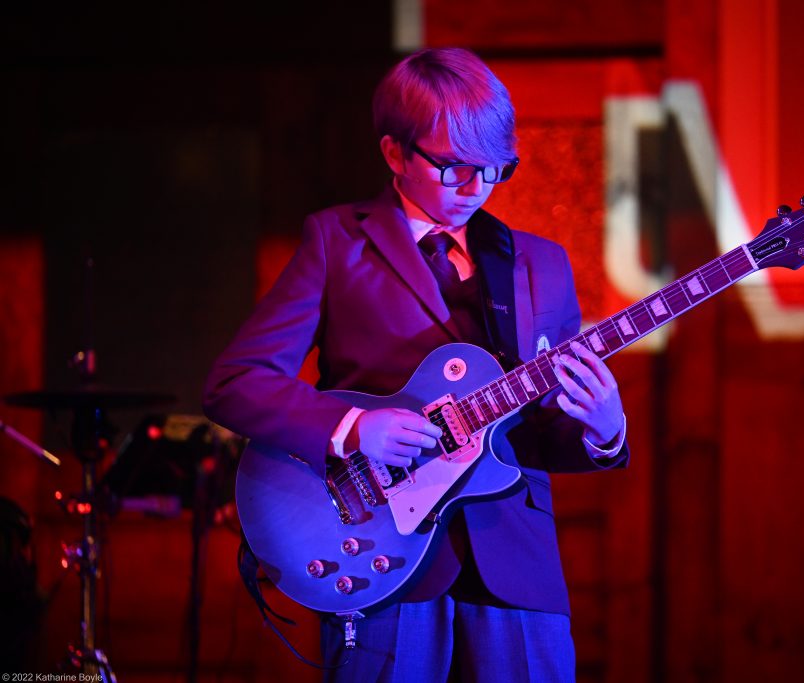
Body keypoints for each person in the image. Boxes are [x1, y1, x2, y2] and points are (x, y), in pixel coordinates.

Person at [203, 46, 628, 682]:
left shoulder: (541, 263)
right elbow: (236, 384)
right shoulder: (337, 241)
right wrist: (351, 427)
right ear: (394, 153)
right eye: (453, 166)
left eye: (495, 170)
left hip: (517, 561)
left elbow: (538, 431)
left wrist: (603, 427)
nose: (474, 189)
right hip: (380, 557)